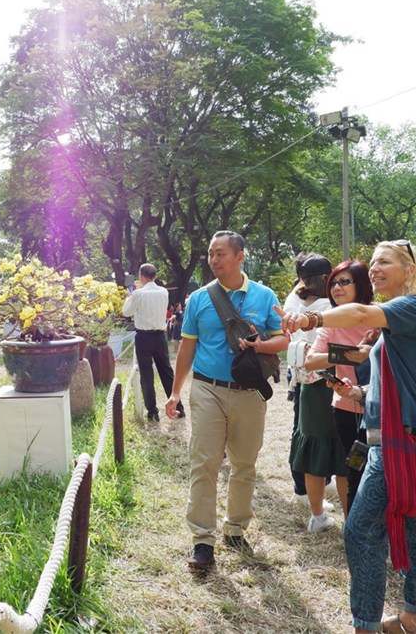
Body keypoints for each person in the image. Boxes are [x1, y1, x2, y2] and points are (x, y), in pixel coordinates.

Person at [277, 240, 416, 634]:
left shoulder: (412, 306)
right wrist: (358, 393)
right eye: (372, 262)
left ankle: (366, 626)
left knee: (358, 531)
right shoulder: (396, 318)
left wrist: (309, 318)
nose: (375, 268)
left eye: (384, 261)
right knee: (409, 528)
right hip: (390, 435)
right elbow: (396, 379)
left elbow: (357, 312)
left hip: (395, 444)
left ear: (409, 270)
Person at [166, 231, 288, 571]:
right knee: (204, 463)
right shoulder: (199, 299)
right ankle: (203, 540)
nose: (214, 260)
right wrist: (175, 392)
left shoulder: (264, 296)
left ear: (240, 257)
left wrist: (260, 345)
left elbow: (282, 340)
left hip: (249, 392)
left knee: (244, 464)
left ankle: (235, 529)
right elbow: (187, 347)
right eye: (211, 254)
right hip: (207, 389)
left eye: (221, 253)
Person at [303, 260, 377, 518]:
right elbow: (311, 361)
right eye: (333, 283)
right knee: (351, 470)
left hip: (381, 408)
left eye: (344, 282)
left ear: (363, 284)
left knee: (382, 474)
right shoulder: (332, 323)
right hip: (346, 409)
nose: (336, 288)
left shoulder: (379, 316)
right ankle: (353, 526)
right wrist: (347, 353)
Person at [283, 253, 335, 513]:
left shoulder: (293, 299)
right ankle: (310, 486)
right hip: (322, 373)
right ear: (326, 277)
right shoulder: (328, 305)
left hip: (298, 371)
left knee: (300, 428)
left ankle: (304, 486)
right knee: (320, 433)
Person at [122, 264, 185, 422]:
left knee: (146, 374)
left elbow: (126, 312)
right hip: (160, 336)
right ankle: (179, 407)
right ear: (155, 277)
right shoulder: (163, 292)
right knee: (166, 372)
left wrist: (129, 297)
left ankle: (152, 411)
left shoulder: (138, 293)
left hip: (143, 336)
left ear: (141, 277)